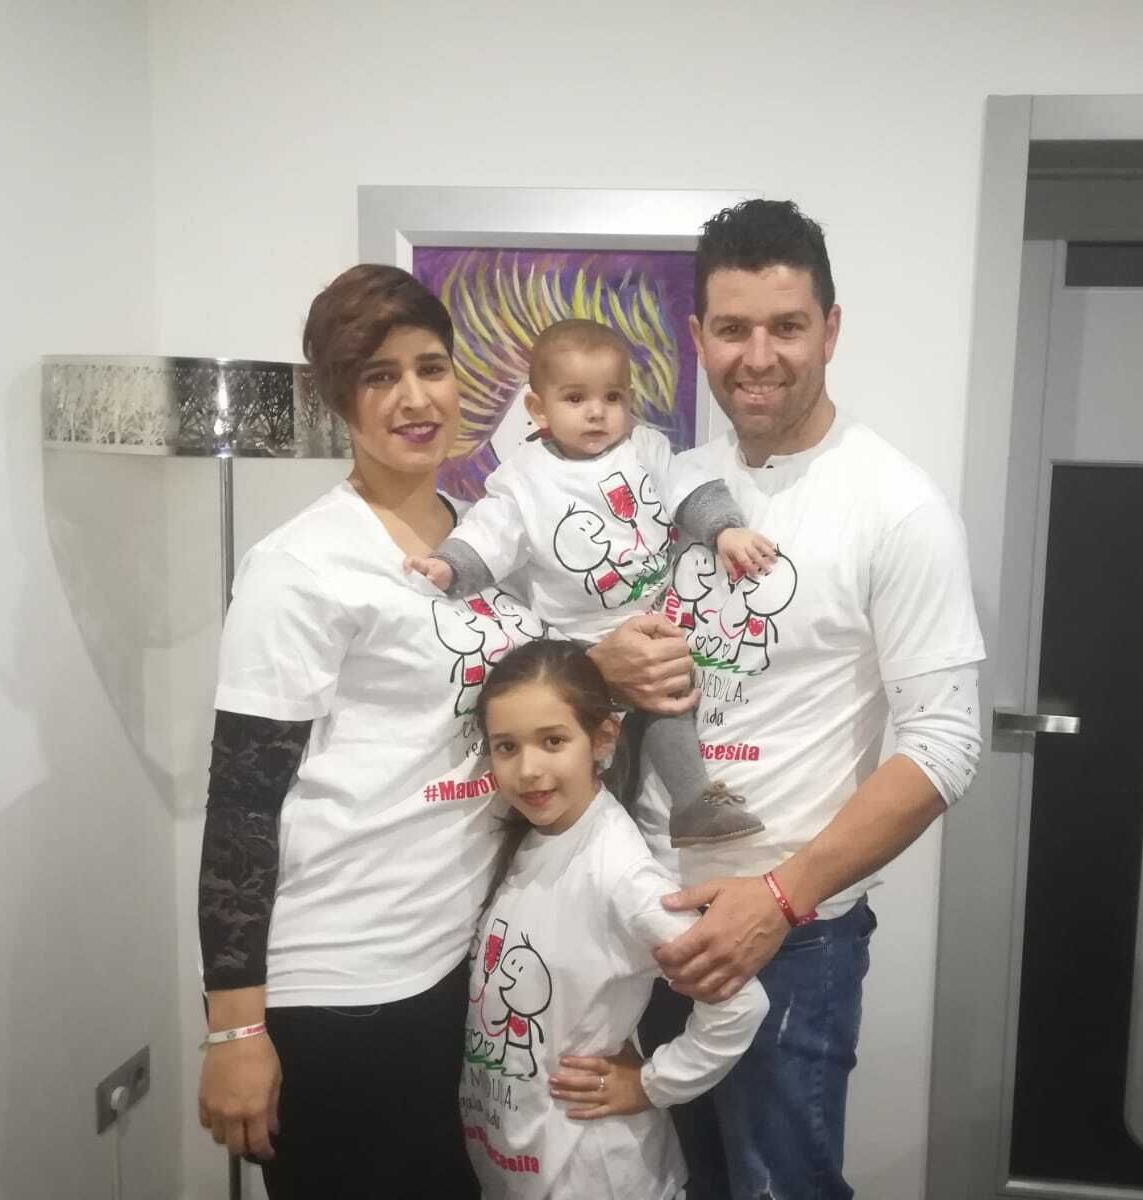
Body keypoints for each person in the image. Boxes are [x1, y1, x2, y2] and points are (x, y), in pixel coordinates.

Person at [193, 264, 693, 1197]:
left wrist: (605, 663)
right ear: (338, 398)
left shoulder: (481, 538)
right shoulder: (300, 568)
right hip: (345, 982)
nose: (415, 398)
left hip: (455, 965)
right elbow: (240, 808)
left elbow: (524, 697)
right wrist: (235, 1029)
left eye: (432, 366)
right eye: (379, 377)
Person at [604, 199, 988, 1199]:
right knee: (656, 1184)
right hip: (633, 909)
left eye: (785, 326)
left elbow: (947, 743)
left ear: (830, 328)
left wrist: (779, 901)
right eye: (731, 329)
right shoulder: (676, 485)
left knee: (779, 1190)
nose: (758, 355)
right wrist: (606, 670)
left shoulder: (894, 506)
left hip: (791, 938)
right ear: (697, 338)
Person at [405, 317, 774, 849]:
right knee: (590, 744)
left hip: (649, 624)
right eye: (575, 398)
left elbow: (691, 492)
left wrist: (726, 530)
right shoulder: (525, 477)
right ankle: (587, 837)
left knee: (671, 697)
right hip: (574, 641)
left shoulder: (645, 449)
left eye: (613, 397)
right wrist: (449, 566)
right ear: (539, 408)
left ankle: (692, 802)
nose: (597, 412)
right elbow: (492, 532)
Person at [461, 639, 767, 1199]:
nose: (529, 770)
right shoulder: (531, 840)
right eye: (507, 746)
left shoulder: (620, 874)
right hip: (520, 1166)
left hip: (598, 1175)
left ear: (602, 739)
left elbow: (741, 1003)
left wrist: (652, 1084)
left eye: (553, 741)